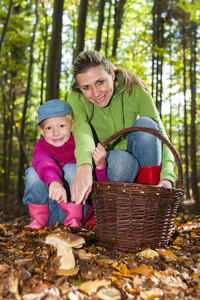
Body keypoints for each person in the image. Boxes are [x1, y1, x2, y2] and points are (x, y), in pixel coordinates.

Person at [66, 50, 176, 205]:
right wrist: (84, 167)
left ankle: (148, 202)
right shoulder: (75, 99)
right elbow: (82, 134)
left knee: (147, 125)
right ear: (80, 87)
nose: (95, 93)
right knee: (121, 161)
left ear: (111, 75)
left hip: (141, 164)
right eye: (86, 87)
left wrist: (167, 177)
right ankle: (113, 210)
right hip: (106, 166)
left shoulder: (134, 88)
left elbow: (161, 136)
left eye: (100, 82)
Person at [23, 99, 107, 229]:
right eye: (49, 128)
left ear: (72, 125)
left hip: (78, 210)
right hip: (50, 213)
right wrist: (54, 182)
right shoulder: (41, 146)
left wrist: (100, 166)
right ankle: (38, 220)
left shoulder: (80, 145)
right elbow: (44, 163)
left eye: (62, 126)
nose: (56, 133)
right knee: (33, 173)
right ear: (41, 130)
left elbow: (99, 185)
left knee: (71, 169)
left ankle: (73, 221)